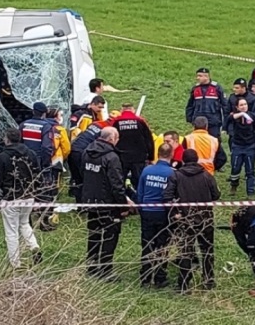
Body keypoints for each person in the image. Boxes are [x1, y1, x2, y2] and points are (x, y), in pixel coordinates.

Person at [163, 149, 221, 294]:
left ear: (183, 160)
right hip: (205, 219)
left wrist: (175, 213)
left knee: (185, 252)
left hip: (185, 220)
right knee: (207, 250)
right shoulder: (207, 175)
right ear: (197, 160)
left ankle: (183, 284)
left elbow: (167, 196)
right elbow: (216, 195)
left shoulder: (176, 175)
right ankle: (208, 280)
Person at [82, 127, 130, 281]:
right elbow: (116, 184)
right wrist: (123, 205)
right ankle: (105, 270)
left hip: (90, 201)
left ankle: (92, 266)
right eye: (117, 138)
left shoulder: (87, 152)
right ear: (111, 139)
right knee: (110, 236)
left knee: (94, 234)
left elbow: (83, 174)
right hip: (108, 204)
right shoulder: (111, 157)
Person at [0, 128, 43, 269]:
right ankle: (34, 246)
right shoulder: (31, 154)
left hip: (11, 198)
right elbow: (37, 175)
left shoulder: (2, 157)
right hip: (28, 196)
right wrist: (36, 193)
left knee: (11, 232)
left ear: (6, 139)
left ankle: (15, 263)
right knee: (25, 223)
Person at [137, 143, 175, 288]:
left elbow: (140, 193)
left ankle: (145, 277)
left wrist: (141, 209)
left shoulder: (147, 170)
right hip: (163, 214)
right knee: (162, 245)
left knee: (147, 244)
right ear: (171, 155)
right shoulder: (172, 173)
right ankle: (160, 277)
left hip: (147, 211)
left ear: (158, 154)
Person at [185, 68, 228, 171]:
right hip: (198, 122)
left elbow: (225, 105)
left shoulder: (217, 88)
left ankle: (217, 163)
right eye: (197, 76)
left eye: (200, 76)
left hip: (213, 122)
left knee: (215, 142)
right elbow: (190, 105)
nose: (197, 78)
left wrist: (225, 121)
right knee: (198, 142)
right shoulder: (195, 89)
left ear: (206, 76)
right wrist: (190, 118)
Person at [111, 103, 155, 190]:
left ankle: (121, 196)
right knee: (139, 182)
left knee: (120, 181)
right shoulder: (140, 121)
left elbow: (110, 139)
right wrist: (151, 156)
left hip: (122, 157)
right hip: (139, 157)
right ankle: (138, 196)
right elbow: (149, 139)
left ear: (121, 111)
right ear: (133, 110)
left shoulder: (116, 122)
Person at [68, 117, 110, 203]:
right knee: (86, 178)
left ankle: (79, 203)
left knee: (77, 178)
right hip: (81, 152)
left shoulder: (95, 124)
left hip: (72, 149)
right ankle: (87, 203)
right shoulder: (107, 131)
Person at [226, 96, 255, 197]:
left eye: (245, 104)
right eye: (241, 105)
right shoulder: (235, 116)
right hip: (237, 146)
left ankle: (251, 192)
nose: (244, 106)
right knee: (235, 168)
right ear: (237, 107)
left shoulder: (252, 116)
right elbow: (228, 120)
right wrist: (241, 114)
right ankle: (234, 185)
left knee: (250, 170)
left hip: (250, 146)